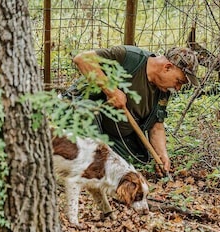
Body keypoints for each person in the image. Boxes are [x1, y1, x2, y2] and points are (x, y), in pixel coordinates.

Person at [65, 45, 199, 175]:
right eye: (179, 81)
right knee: (86, 111)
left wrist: (162, 154)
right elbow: (81, 59)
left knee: (137, 162)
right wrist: (111, 90)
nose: (178, 88)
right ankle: (80, 165)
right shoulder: (129, 57)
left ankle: (97, 161)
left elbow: (156, 127)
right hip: (82, 118)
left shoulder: (163, 91)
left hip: (113, 136)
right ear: (167, 67)